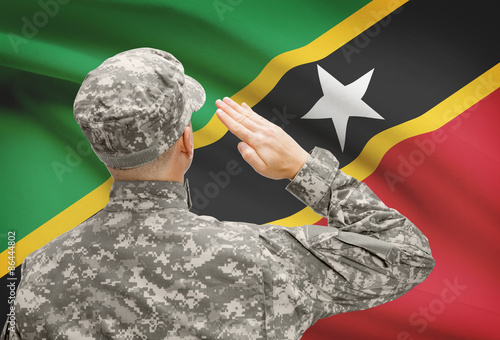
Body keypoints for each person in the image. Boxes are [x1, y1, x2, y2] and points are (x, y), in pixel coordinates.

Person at [2, 48, 435, 339]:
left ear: (99, 147)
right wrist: (305, 169)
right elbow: (407, 253)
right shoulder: (262, 259)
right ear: (186, 140)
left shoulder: (34, 275)